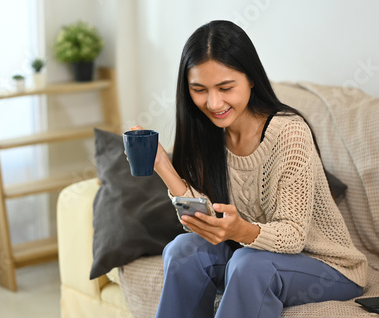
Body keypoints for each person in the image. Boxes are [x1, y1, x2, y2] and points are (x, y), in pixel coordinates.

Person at [131, 20, 367, 318]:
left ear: (251, 79)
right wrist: (163, 166)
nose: (213, 102)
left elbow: (293, 236)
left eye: (225, 87)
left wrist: (241, 229)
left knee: (251, 265)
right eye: (199, 89)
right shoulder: (208, 131)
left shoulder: (289, 134)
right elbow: (204, 216)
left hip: (326, 266)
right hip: (248, 252)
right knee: (182, 251)